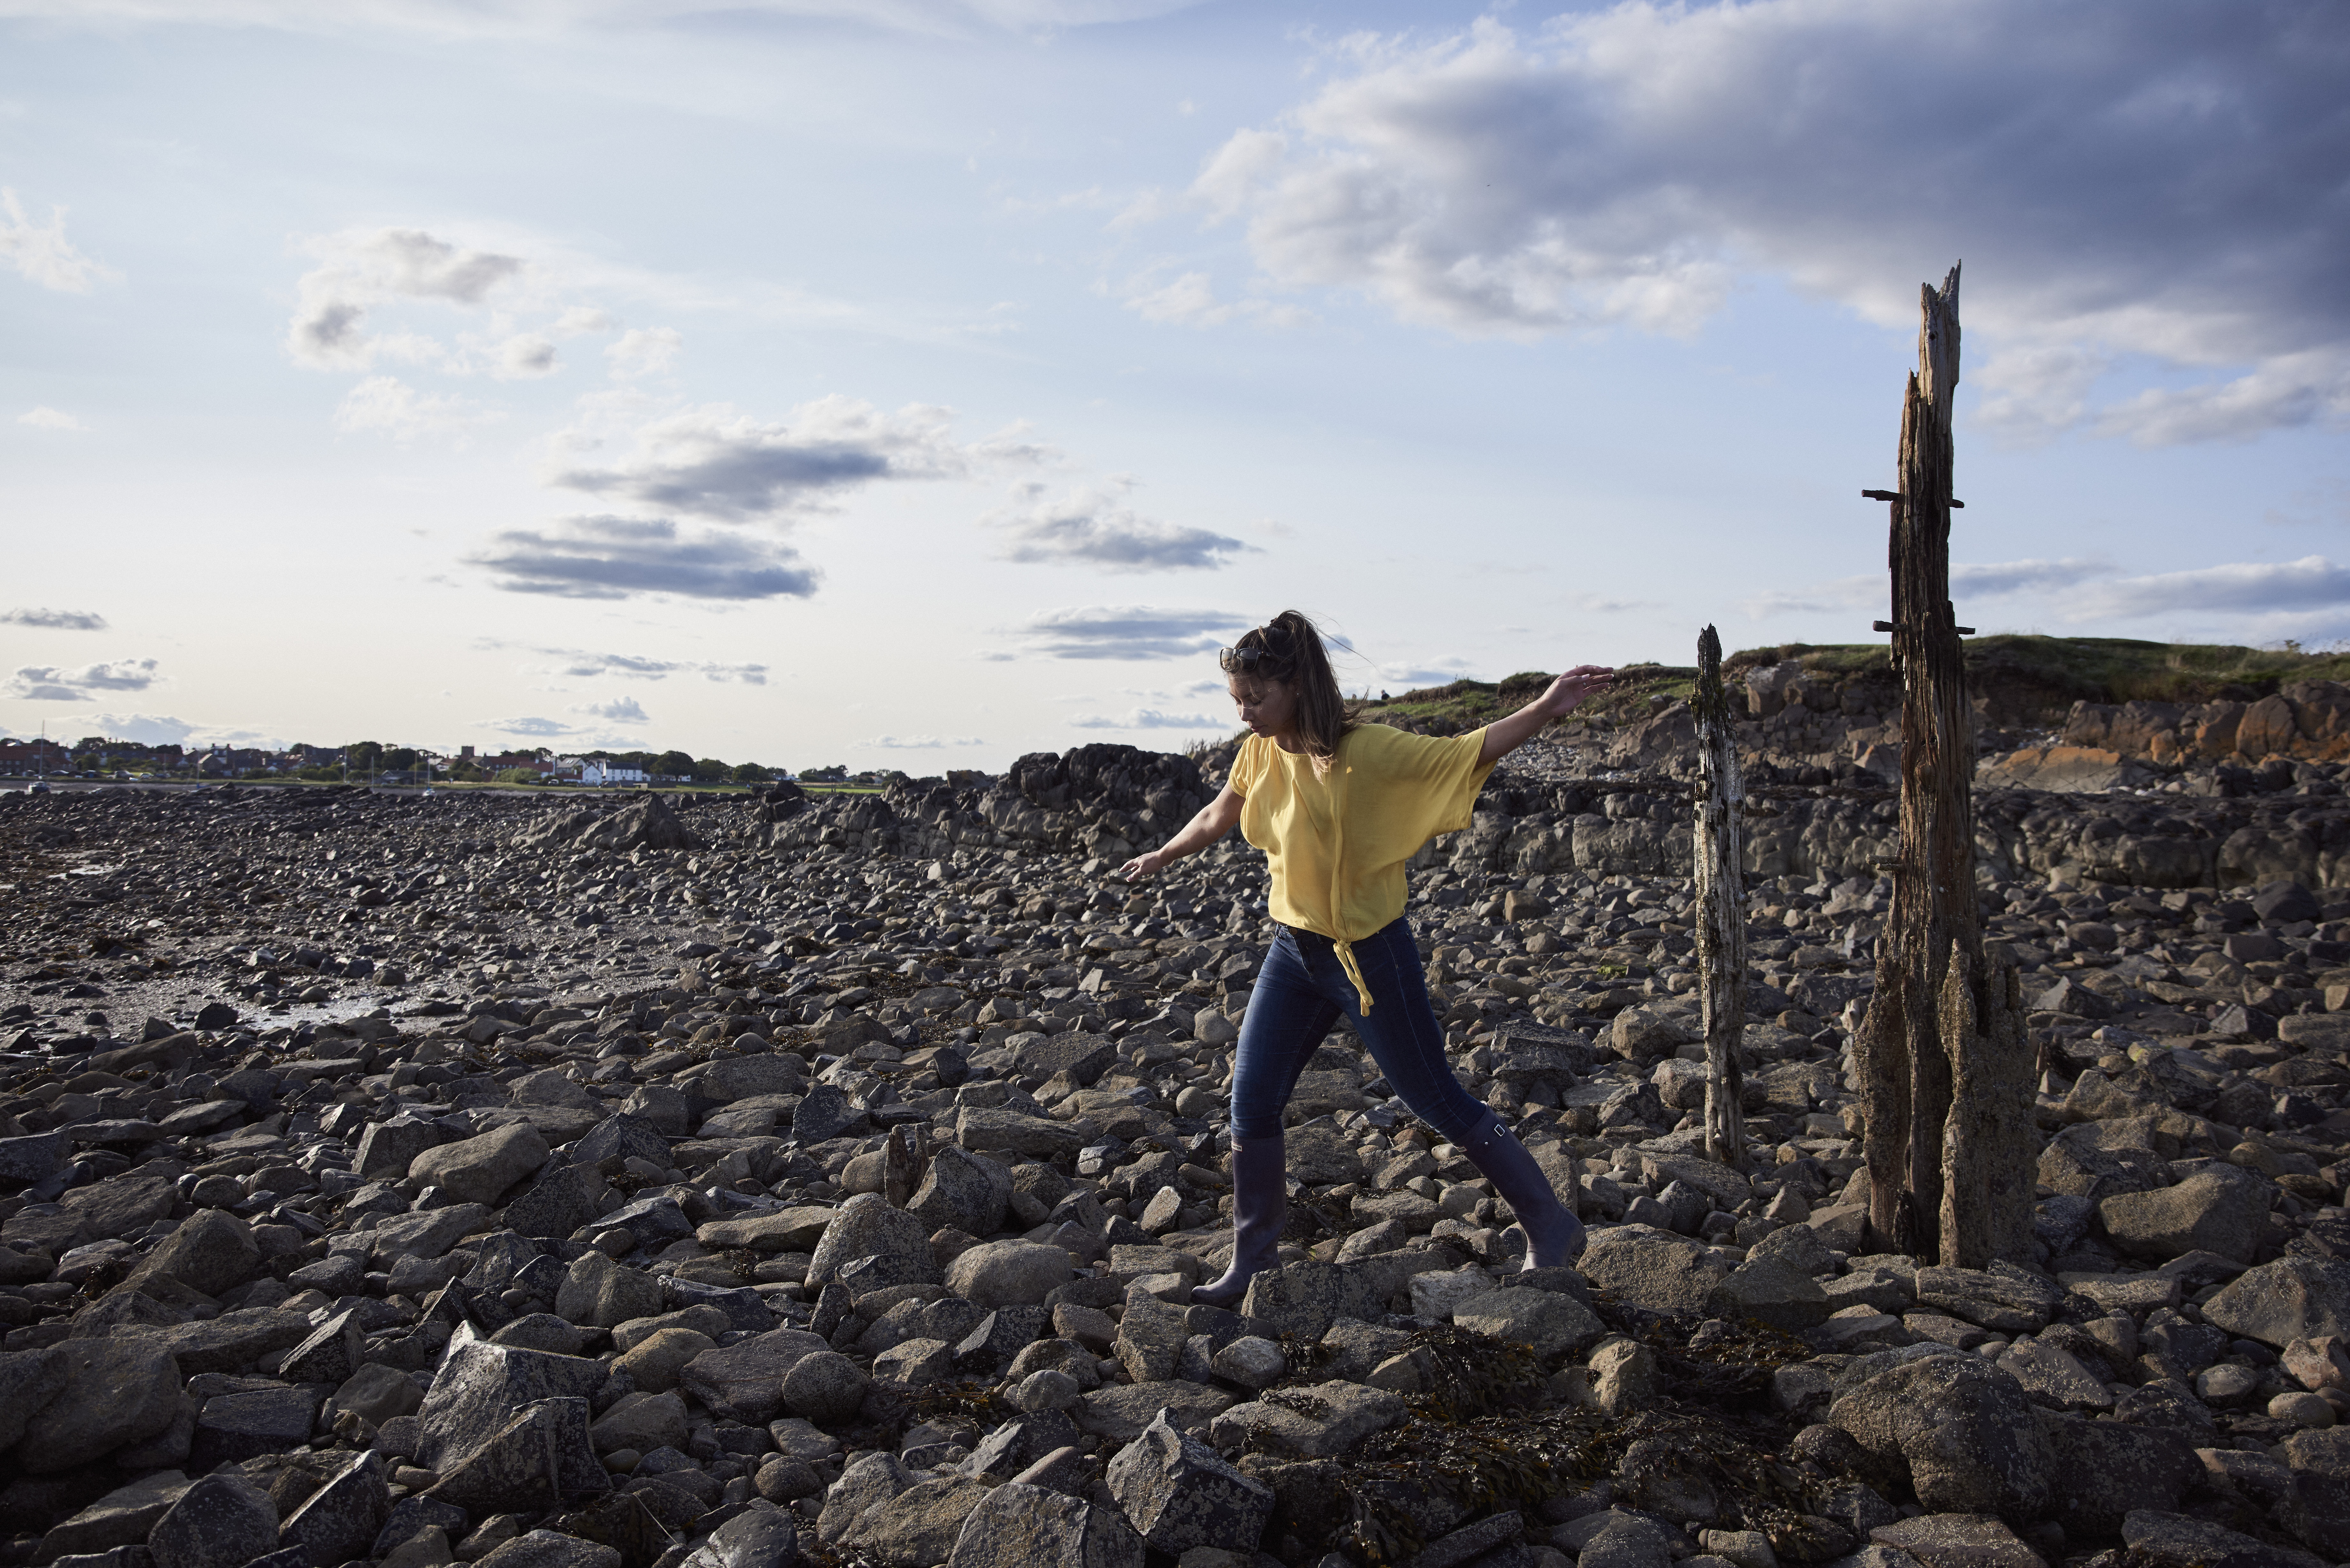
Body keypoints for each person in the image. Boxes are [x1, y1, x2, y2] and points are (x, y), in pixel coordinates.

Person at [1120, 610, 1615, 1308]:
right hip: (1293, 952)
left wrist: (1546, 704)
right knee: (1250, 1102)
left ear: (1295, 685)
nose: (1244, 711)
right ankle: (1251, 1265)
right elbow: (1218, 812)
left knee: (1435, 1098)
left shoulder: (1369, 750)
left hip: (1369, 955)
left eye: (1255, 698)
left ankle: (1550, 1223)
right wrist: (1164, 853)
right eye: (1235, 699)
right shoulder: (1258, 751)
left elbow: (1463, 753)